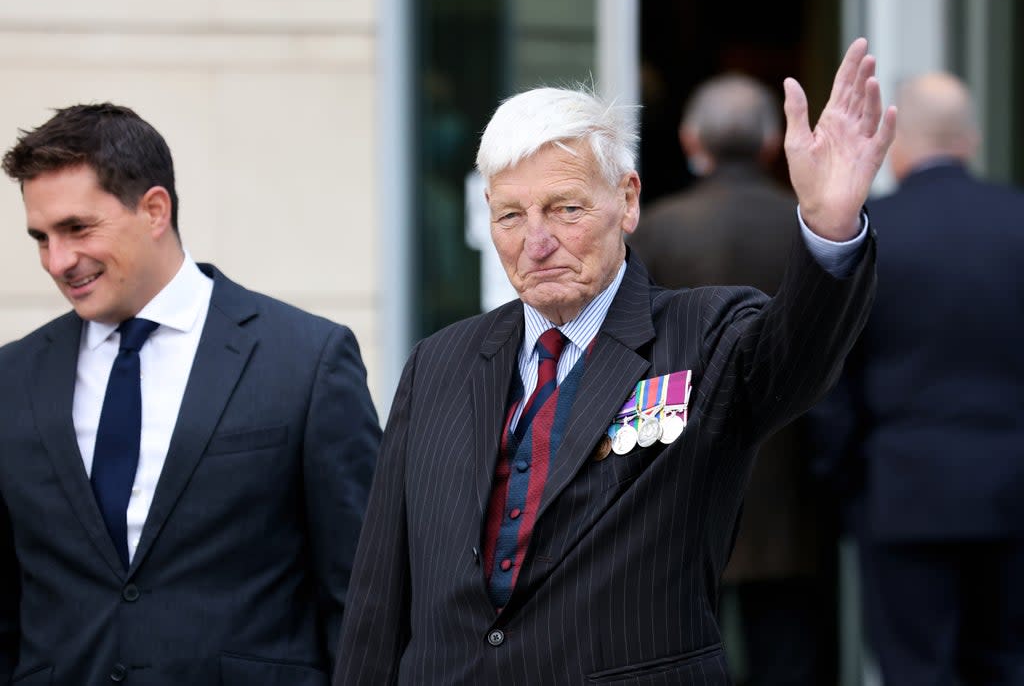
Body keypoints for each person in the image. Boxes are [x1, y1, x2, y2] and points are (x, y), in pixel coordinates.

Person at [334, 38, 894, 685]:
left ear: (627, 201)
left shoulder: (703, 336)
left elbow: (794, 351)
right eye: (512, 215)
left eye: (565, 209)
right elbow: (378, 599)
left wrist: (831, 227)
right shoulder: (437, 363)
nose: (536, 242)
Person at [0, 103, 381, 685]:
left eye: (78, 228)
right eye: (41, 238)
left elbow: (360, 594)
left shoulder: (306, 360)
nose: (58, 260)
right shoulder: (13, 377)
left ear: (154, 210)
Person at [817, 72, 1024, 685]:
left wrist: (841, 482)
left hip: (902, 487)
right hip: (1013, 486)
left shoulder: (868, 232)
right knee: (1006, 664)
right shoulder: (1018, 222)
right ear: (973, 140)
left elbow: (832, 377)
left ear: (895, 141)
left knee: (913, 670)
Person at [629, 74, 836, 686]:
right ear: (773, 143)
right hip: (792, 472)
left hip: (679, 469)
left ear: (692, 140)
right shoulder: (811, 227)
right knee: (788, 653)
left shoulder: (654, 228)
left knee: (685, 651)